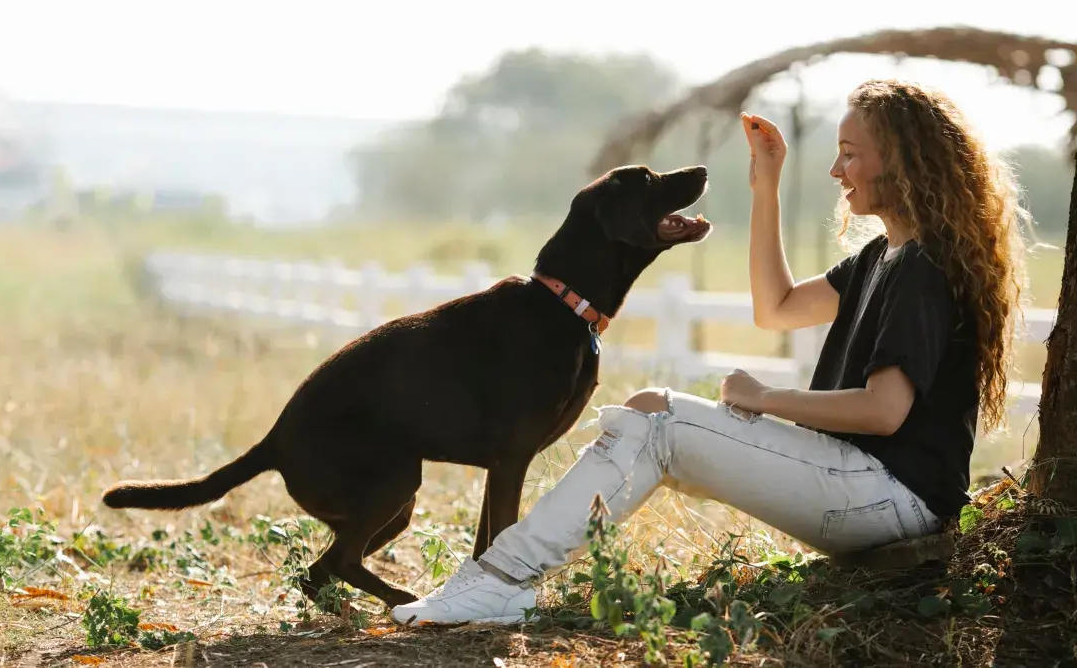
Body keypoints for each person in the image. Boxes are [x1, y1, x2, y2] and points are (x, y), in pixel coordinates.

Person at [389, 79, 1031, 627]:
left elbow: (885, 411)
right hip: (864, 486)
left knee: (657, 420)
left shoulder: (923, 268)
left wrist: (764, 399)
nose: (837, 172)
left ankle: (499, 581)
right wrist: (766, 187)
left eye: (849, 154)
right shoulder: (881, 256)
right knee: (651, 415)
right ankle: (499, 578)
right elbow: (775, 309)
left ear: (903, 161)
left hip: (892, 499)